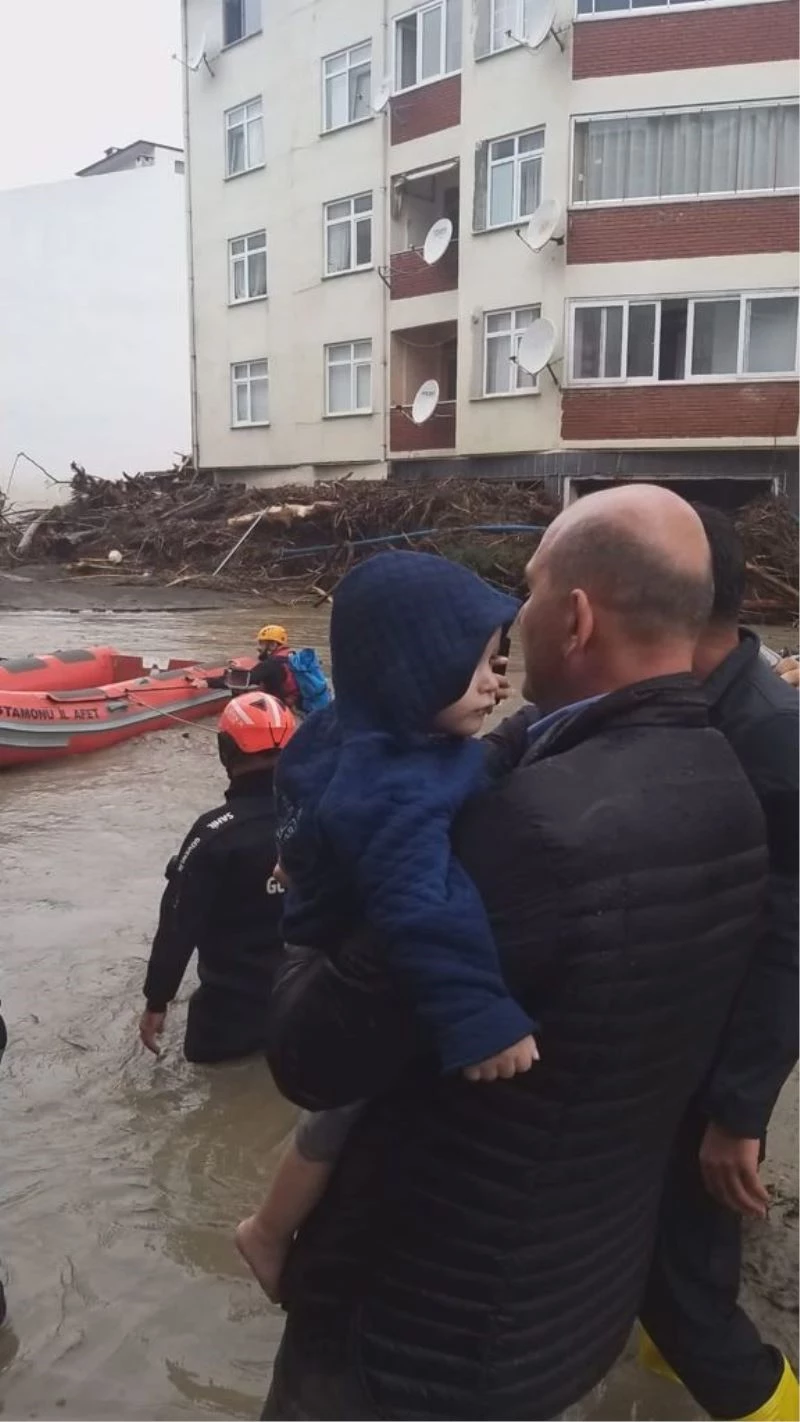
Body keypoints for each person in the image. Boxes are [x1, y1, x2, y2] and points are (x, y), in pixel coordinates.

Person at [260, 484, 769, 1422]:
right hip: (575, 1299)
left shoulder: (528, 834)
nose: (515, 620)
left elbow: (309, 1057)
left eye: (528, 591)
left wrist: (304, 911)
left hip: (421, 1335)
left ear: (574, 619)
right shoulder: (729, 783)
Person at [235, 553, 535, 1299]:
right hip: (332, 955)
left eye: (500, 663)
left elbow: (303, 795)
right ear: (414, 674)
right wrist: (481, 1019)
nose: (498, 685)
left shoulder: (345, 727)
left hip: (309, 919)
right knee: (338, 1117)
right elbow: (424, 905)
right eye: (480, 668)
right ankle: (266, 1231)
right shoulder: (393, 791)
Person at [639, 504, 799, 1421]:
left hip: (716, 1058)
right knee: (679, 1258)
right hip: (687, 1044)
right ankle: (657, 1379)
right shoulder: (705, 705)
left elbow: (791, 944)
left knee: (687, 1289)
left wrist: (738, 1111)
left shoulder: (769, 733)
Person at [138, 691, 295, 1065]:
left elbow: (178, 924)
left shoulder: (213, 834)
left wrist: (156, 1001)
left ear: (226, 751)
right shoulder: (319, 816)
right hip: (304, 1004)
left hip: (229, 1016)